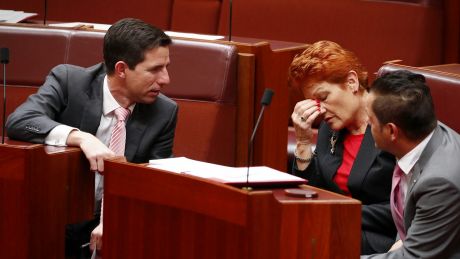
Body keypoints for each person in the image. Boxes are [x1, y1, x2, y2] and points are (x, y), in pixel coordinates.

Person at [6, 18, 178, 257]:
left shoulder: (164, 112)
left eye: (166, 66)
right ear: (121, 69)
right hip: (52, 221)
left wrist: (116, 218)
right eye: (155, 69)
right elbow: (20, 121)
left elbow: (155, 183)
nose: (165, 79)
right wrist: (81, 138)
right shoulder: (69, 82)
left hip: (114, 227)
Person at [288, 40, 396, 254]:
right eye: (312, 102)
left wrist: (341, 213)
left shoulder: (390, 124)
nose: (319, 110)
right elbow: (315, 192)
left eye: (323, 97)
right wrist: (302, 142)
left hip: (384, 238)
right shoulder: (332, 126)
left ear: (352, 82)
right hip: (335, 226)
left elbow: (403, 207)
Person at [362, 70, 460, 258]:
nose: (367, 123)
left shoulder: (440, 182)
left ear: (392, 131)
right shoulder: (420, 135)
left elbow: (413, 257)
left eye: (371, 119)